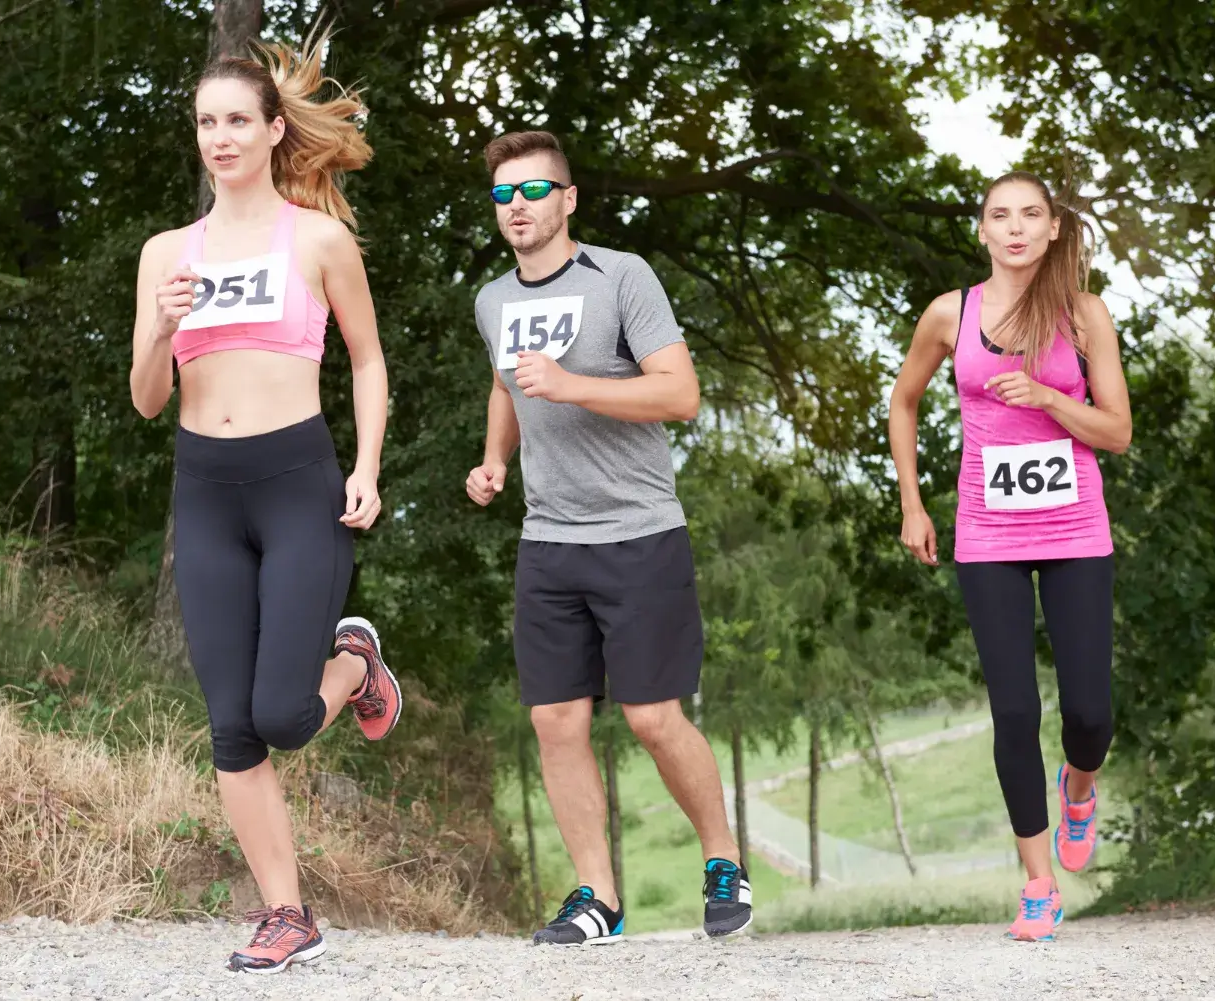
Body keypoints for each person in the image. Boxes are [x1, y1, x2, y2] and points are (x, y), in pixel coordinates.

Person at [128, 30, 403, 974]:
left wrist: (365, 466)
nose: (220, 137)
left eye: (237, 120)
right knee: (232, 726)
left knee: (285, 714)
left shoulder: (319, 239)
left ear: (274, 130)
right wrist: (160, 329)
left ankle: (356, 665)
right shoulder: (166, 251)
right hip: (203, 490)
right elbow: (147, 399)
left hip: (296, 484)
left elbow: (367, 360)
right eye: (206, 122)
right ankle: (288, 914)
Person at [465, 130, 753, 944]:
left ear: (567, 200)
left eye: (532, 192)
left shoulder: (622, 277)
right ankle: (598, 896)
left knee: (653, 716)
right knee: (555, 722)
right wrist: (493, 459)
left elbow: (681, 394)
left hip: (638, 531)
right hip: (547, 538)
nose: (516, 208)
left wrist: (573, 385)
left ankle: (723, 860)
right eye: (502, 195)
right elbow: (503, 383)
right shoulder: (494, 300)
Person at [888, 170, 1132, 943]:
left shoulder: (1084, 315)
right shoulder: (948, 313)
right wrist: (913, 502)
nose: (1017, 227)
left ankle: (1080, 783)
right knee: (1015, 709)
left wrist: (1054, 399)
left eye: (1032, 214)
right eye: (1001, 215)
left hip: (1075, 528)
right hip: (987, 532)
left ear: (1054, 229)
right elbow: (904, 399)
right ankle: (1038, 882)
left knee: (1090, 712)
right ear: (983, 231)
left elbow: (1117, 432)